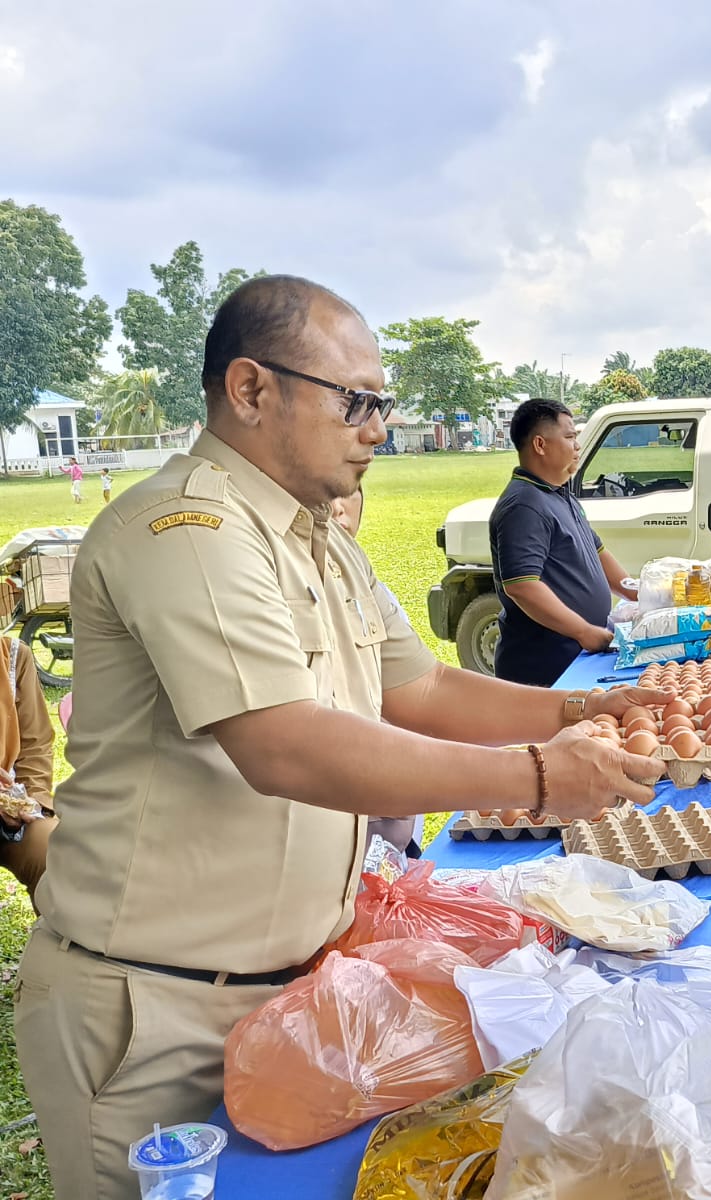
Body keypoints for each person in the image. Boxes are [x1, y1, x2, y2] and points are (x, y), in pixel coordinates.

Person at [14, 274, 665, 1200]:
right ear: (251, 390)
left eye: (383, 403)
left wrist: (578, 714)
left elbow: (423, 685)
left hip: (291, 990)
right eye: (356, 400)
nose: (378, 427)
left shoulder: (317, 536)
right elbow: (282, 743)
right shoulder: (188, 527)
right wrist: (535, 777)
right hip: (156, 1006)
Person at [489, 398, 637, 687]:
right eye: (569, 437)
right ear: (540, 445)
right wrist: (583, 631)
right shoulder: (524, 504)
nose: (577, 446)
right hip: (547, 666)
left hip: (579, 656)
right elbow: (521, 585)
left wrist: (640, 594)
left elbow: (597, 552)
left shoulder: (559, 494)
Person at [331, 484, 423, 858]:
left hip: (393, 820)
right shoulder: (266, 594)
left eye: (348, 491)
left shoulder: (368, 585)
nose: (337, 508)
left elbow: (425, 688)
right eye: (325, 494)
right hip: (336, 840)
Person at [0, 636, 57, 907]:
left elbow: (35, 745)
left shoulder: (11, 655)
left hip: (5, 812)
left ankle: (60, 948)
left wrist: (28, 801)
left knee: (56, 851)